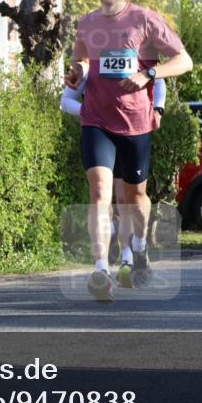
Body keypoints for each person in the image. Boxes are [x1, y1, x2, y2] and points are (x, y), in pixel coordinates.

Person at [65, 0, 193, 303]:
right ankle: (100, 268)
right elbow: (81, 60)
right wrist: (76, 73)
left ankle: (138, 246)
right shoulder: (88, 23)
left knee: (135, 198)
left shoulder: (145, 20)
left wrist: (149, 73)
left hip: (136, 122)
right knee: (100, 191)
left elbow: (184, 60)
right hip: (96, 119)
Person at [61, 74, 167, 284]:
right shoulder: (90, 61)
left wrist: (158, 109)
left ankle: (130, 256)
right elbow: (66, 100)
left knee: (126, 198)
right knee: (100, 193)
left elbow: (158, 78)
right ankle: (101, 269)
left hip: (132, 131)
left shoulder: (134, 51)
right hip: (99, 132)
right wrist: (91, 112)